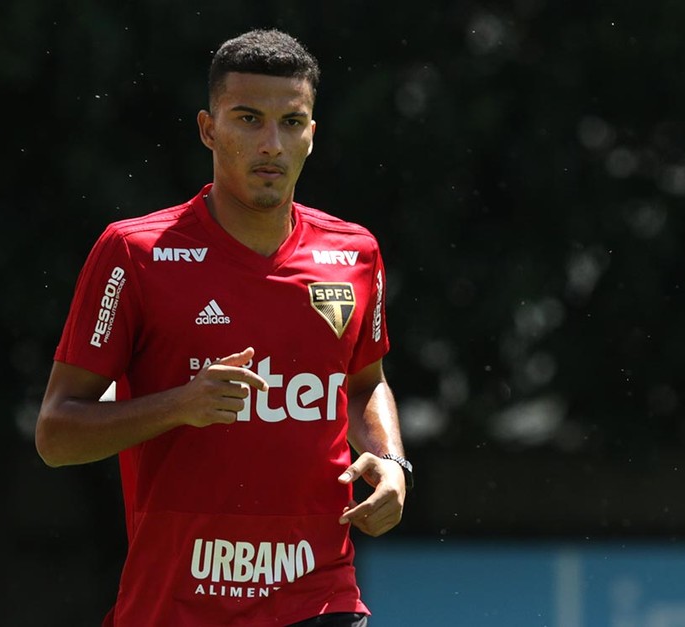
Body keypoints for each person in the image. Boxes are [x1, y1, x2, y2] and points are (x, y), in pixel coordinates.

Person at [35, 28, 412, 627]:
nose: (271, 144)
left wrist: (391, 462)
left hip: (319, 598)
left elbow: (365, 382)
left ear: (312, 134)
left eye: (291, 122)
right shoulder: (135, 254)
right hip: (178, 606)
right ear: (209, 129)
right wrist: (180, 404)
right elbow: (56, 435)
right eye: (248, 119)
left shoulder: (354, 253)